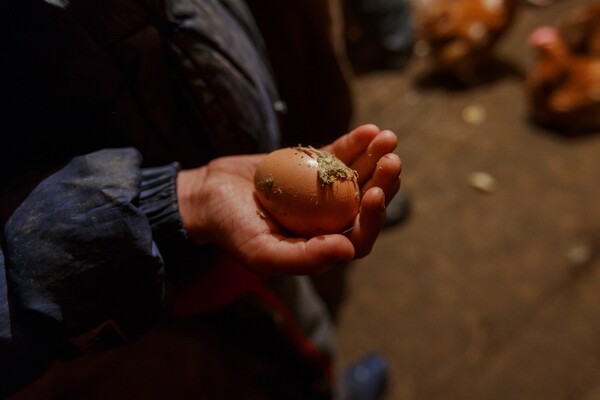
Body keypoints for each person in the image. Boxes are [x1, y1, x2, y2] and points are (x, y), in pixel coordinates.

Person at [0, 0, 401, 399]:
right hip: (118, 287)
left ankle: (329, 387)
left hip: (230, 195)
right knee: (232, 370)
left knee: (294, 332)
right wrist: (161, 207)